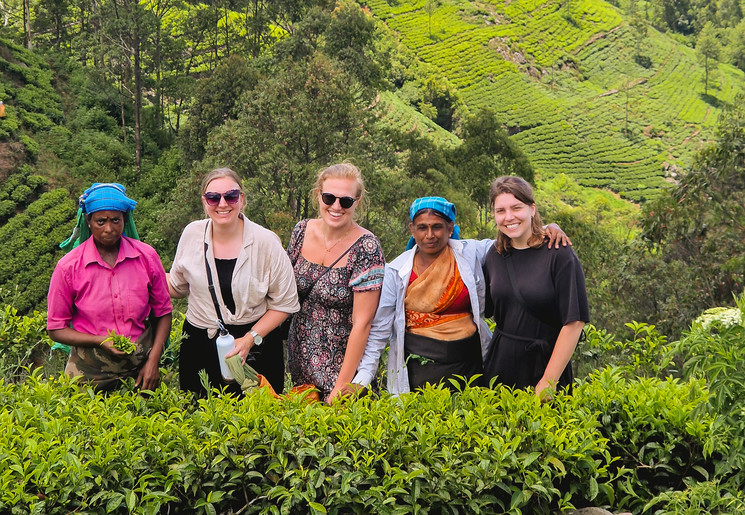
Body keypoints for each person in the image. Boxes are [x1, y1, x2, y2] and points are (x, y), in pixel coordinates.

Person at [355, 196, 570, 395]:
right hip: (418, 370)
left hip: (469, 365)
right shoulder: (396, 271)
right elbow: (379, 330)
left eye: (437, 227)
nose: (430, 235)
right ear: (412, 230)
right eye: (422, 228)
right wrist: (362, 378)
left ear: (450, 228)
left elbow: (513, 238)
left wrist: (547, 228)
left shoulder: (471, 253)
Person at [168, 168, 299, 396]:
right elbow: (178, 287)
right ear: (204, 201)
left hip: (256, 347)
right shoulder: (191, 234)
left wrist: (250, 339)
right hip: (199, 345)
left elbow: (285, 304)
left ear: (242, 199)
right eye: (213, 197)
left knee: (258, 422)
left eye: (230, 196)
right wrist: (144, 271)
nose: (222, 203)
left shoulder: (266, 242)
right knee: (199, 418)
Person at [47, 183, 173, 392]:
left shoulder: (146, 257)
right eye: (100, 221)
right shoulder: (69, 267)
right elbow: (56, 329)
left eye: (116, 220)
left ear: (125, 219)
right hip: (89, 372)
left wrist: (153, 362)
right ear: (88, 221)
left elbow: (163, 312)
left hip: (140, 369)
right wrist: (100, 340)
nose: (109, 228)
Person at [286, 163, 385, 403]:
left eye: (346, 201)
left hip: (341, 371)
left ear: (357, 202)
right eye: (329, 198)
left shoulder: (367, 248)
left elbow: (363, 323)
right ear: (318, 195)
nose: (336, 206)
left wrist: (341, 387)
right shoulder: (301, 231)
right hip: (300, 368)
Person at [483, 176, 589, 399]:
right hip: (499, 368)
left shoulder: (559, 253)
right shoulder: (494, 255)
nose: (509, 217)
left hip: (545, 367)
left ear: (532, 209)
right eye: (500, 210)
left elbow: (574, 321)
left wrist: (548, 382)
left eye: (516, 208)